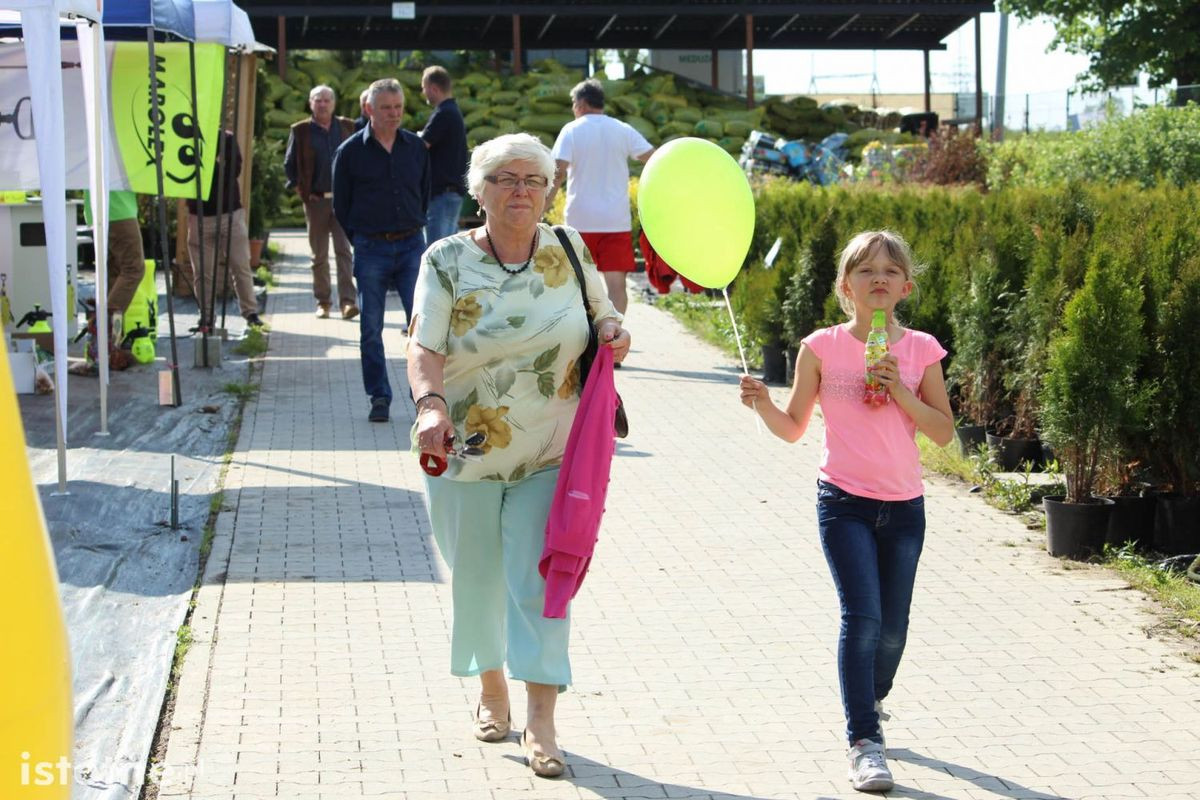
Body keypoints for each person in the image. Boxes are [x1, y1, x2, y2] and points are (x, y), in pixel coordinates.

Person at [407, 133, 630, 779]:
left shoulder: (569, 246)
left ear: (549, 189)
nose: (521, 191)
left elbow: (602, 314)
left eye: (533, 179)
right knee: (475, 575)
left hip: (552, 451)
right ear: (480, 191)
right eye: (506, 179)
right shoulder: (445, 260)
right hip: (461, 449)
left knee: (541, 581)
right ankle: (492, 687)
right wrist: (429, 406)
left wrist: (615, 333)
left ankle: (541, 718)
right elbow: (425, 345)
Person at [737, 231, 953, 793]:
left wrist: (902, 391)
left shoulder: (921, 349)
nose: (878, 277)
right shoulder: (821, 347)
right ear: (845, 287)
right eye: (865, 270)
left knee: (893, 630)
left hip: (904, 506)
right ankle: (864, 741)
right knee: (862, 618)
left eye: (890, 270)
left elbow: (944, 432)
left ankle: (870, 700)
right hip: (844, 503)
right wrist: (762, 403)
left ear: (906, 286)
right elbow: (792, 429)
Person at [332, 78, 430, 423]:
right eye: (386, 108)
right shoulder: (350, 152)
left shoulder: (415, 147)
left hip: (410, 245)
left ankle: (423, 395)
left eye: (399, 108)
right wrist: (361, 237)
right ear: (369, 109)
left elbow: (424, 191)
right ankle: (379, 396)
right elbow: (341, 206)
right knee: (370, 327)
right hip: (371, 246)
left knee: (422, 325)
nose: (394, 114)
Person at [548, 78, 654, 318]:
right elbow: (653, 158)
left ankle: (582, 337)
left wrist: (542, 206)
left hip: (579, 222)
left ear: (582, 104)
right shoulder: (622, 129)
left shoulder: (571, 130)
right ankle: (614, 338)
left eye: (574, 104)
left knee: (575, 285)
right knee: (616, 285)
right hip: (615, 221)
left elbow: (558, 174)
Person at [285, 84, 359, 320]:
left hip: (343, 202)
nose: (323, 104)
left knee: (344, 252)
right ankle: (323, 301)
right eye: (318, 100)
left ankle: (348, 302)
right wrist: (303, 192)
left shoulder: (348, 127)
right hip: (316, 201)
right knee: (318, 255)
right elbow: (290, 166)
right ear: (310, 103)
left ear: (334, 103)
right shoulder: (301, 131)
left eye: (327, 100)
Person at [186, 129, 264, 332]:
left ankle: (250, 312)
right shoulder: (186, 138)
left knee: (240, 265)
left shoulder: (226, 138)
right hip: (199, 215)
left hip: (230, 213)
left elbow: (234, 170)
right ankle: (206, 316)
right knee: (203, 271)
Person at [83, 189, 146, 342]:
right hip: (118, 208)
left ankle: (112, 340)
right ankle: (102, 332)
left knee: (114, 274)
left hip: (101, 208)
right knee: (133, 269)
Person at [418, 66, 468, 244]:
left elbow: (422, 145)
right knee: (447, 251)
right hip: (451, 193)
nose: (423, 93)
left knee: (437, 253)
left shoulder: (444, 113)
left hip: (442, 195)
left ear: (433, 88)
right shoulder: (453, 111)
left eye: (424, 88)